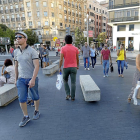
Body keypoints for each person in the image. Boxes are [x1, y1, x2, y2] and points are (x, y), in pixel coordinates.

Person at [14, 31, 40, 127]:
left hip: (31, 78)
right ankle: (26, 116)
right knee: (21, 99)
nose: (18, 38)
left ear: (25, 39)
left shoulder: (32, 51)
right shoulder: (16, 51)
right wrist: (16, 79)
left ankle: (36, 111)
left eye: (20, 37)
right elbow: (16, 66)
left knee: (35, 97)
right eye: (16, 37)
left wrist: (33, 79)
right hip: (21, 79)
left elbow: (37, 66)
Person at [59, 35, 79, 101]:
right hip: (74, 67)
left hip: (66, 67)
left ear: (65, 40)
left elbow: (61, 59)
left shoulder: (63, 48)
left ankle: (68, 94)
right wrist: (77, 65)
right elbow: (77, 58)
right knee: (73, 82)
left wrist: (59, 67)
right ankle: (73, 97)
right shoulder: (75, 48)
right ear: (72, 40)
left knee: (65, 80)